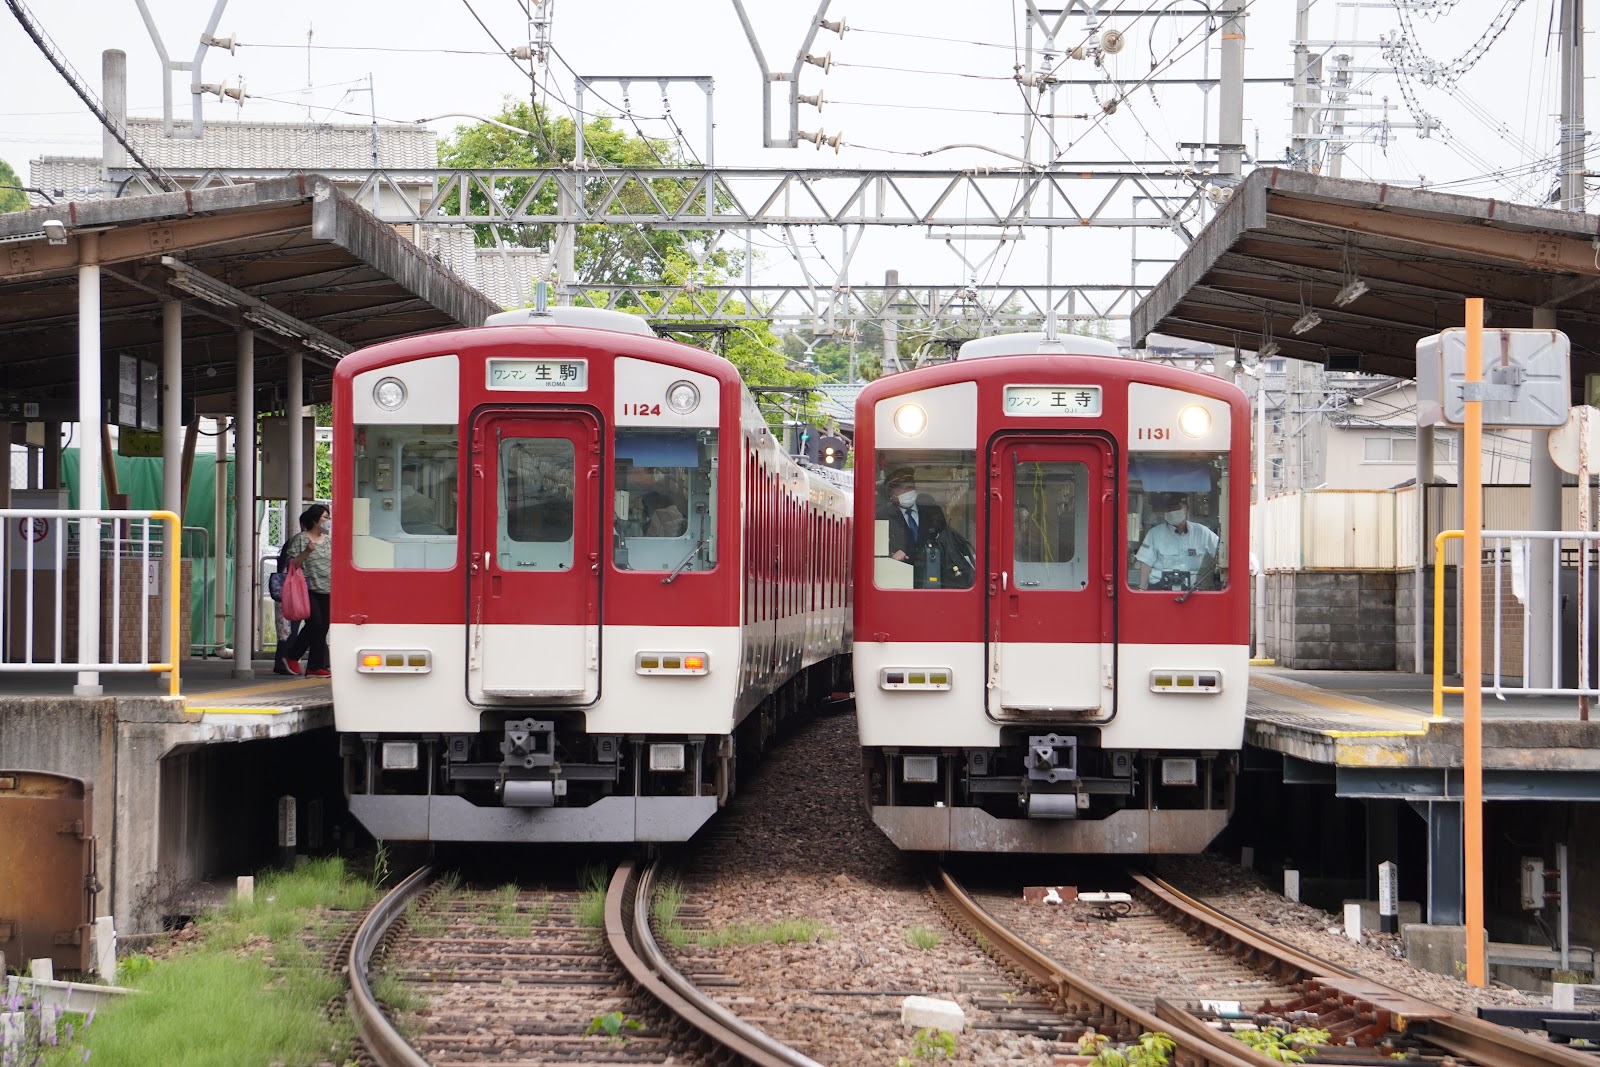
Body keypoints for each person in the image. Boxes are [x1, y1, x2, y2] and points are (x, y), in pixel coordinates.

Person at [280, 503, 333, 678]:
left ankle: (315, 666)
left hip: (328, 588)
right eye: (325, 517)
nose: (328, 521)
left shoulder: (329, 541)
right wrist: (307, 552)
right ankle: (292, 655)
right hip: (308, 588)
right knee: (315, 624)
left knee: (323, 626)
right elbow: (293, 564)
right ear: (315, 520)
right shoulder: (301, 539)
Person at [877, 467, 948, 585]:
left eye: (909, 488)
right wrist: (891, 556)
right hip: (899, 577)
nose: (907, 492)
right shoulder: (883, 516)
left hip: (933, 575)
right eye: (901, 489)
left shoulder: (933, 512)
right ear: (891, 494)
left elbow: (945, 541)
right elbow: (877, 547)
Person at [1135, 492, 1220, 591]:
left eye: (1177, 508)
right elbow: (1146, 562)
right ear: (1164, 513)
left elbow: (1222, 554)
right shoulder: (1154, 533)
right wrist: (1142, 589)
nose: (1173, 512)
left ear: (1187, 508)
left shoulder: (1203, 532)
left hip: (1191, 593)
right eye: (1169, 509)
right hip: (1159, 590)